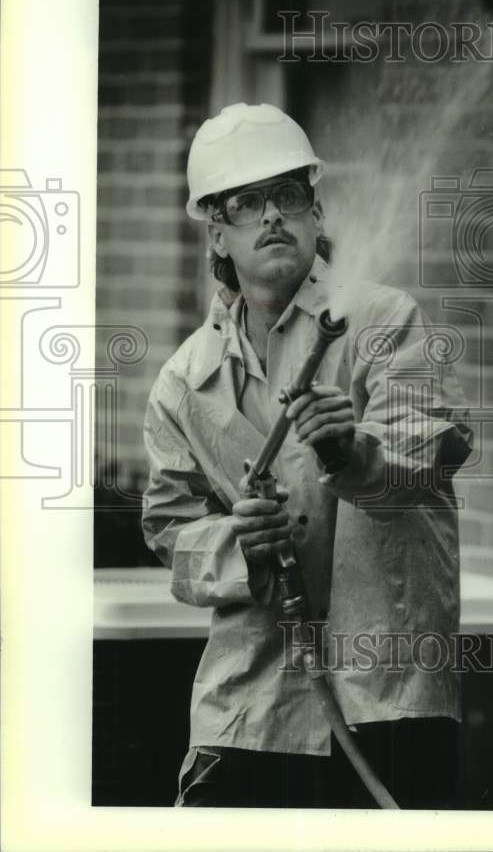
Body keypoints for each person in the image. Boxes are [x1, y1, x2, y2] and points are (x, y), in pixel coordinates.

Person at [141, 102, 473, 809]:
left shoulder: (383, 322)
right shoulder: (185, 380)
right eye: (247, 202)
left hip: (384, 697)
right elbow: (170, 534)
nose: (272, 216)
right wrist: (239, 545)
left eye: (289, 195)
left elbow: (422, 462)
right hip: (250, 700)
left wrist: (351, 450)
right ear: (217, 232)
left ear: (316, 215)